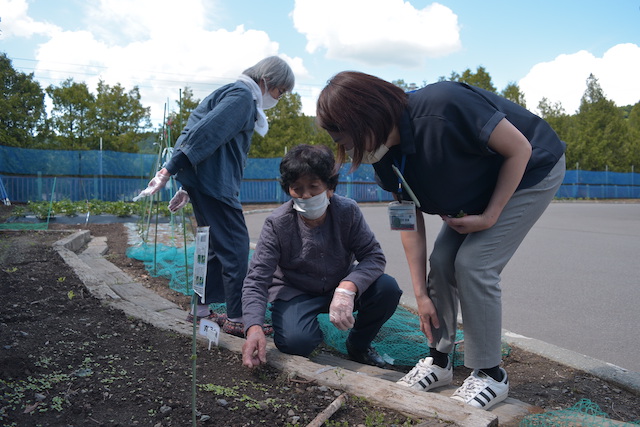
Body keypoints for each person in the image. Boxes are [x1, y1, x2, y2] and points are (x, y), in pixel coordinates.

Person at [316, 71, 566, 410]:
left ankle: (491, 374)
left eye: (343, 138)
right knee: (441, 263)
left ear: (366, 118)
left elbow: (519, 148)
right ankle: (439, 361)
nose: (343, 148)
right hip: (480, 190)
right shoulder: (384, 156)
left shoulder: (444, 105)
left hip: (529, 170)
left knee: (474, 264)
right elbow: (406, 221)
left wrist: (491, 215)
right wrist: (420, 294)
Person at [134, 56, 295, 337]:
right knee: (234, 246)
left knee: (211, 246)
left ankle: (201, 309)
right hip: (216, 185)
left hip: (205, 182)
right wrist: (169, 170)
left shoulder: (232, 92)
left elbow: (198, 133)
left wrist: (187, 184)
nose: (278, 98)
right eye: (280, 92)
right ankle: (238, 317)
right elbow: (205, 134)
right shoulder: (243, 97)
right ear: (268, 80)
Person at [241, 144, 402, 369]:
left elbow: (373, 256)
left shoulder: (348, 211)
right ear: (288, 190)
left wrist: (348, 287)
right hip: (295, 292)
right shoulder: (277, 223)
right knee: (297, 342)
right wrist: (254, 327)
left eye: (314, 187)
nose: (306, 196)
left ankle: (359, 344)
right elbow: (257, 280)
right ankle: (307, 331)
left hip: (340, 286)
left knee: (387, 288)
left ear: (330, 187)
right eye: (297, 189)